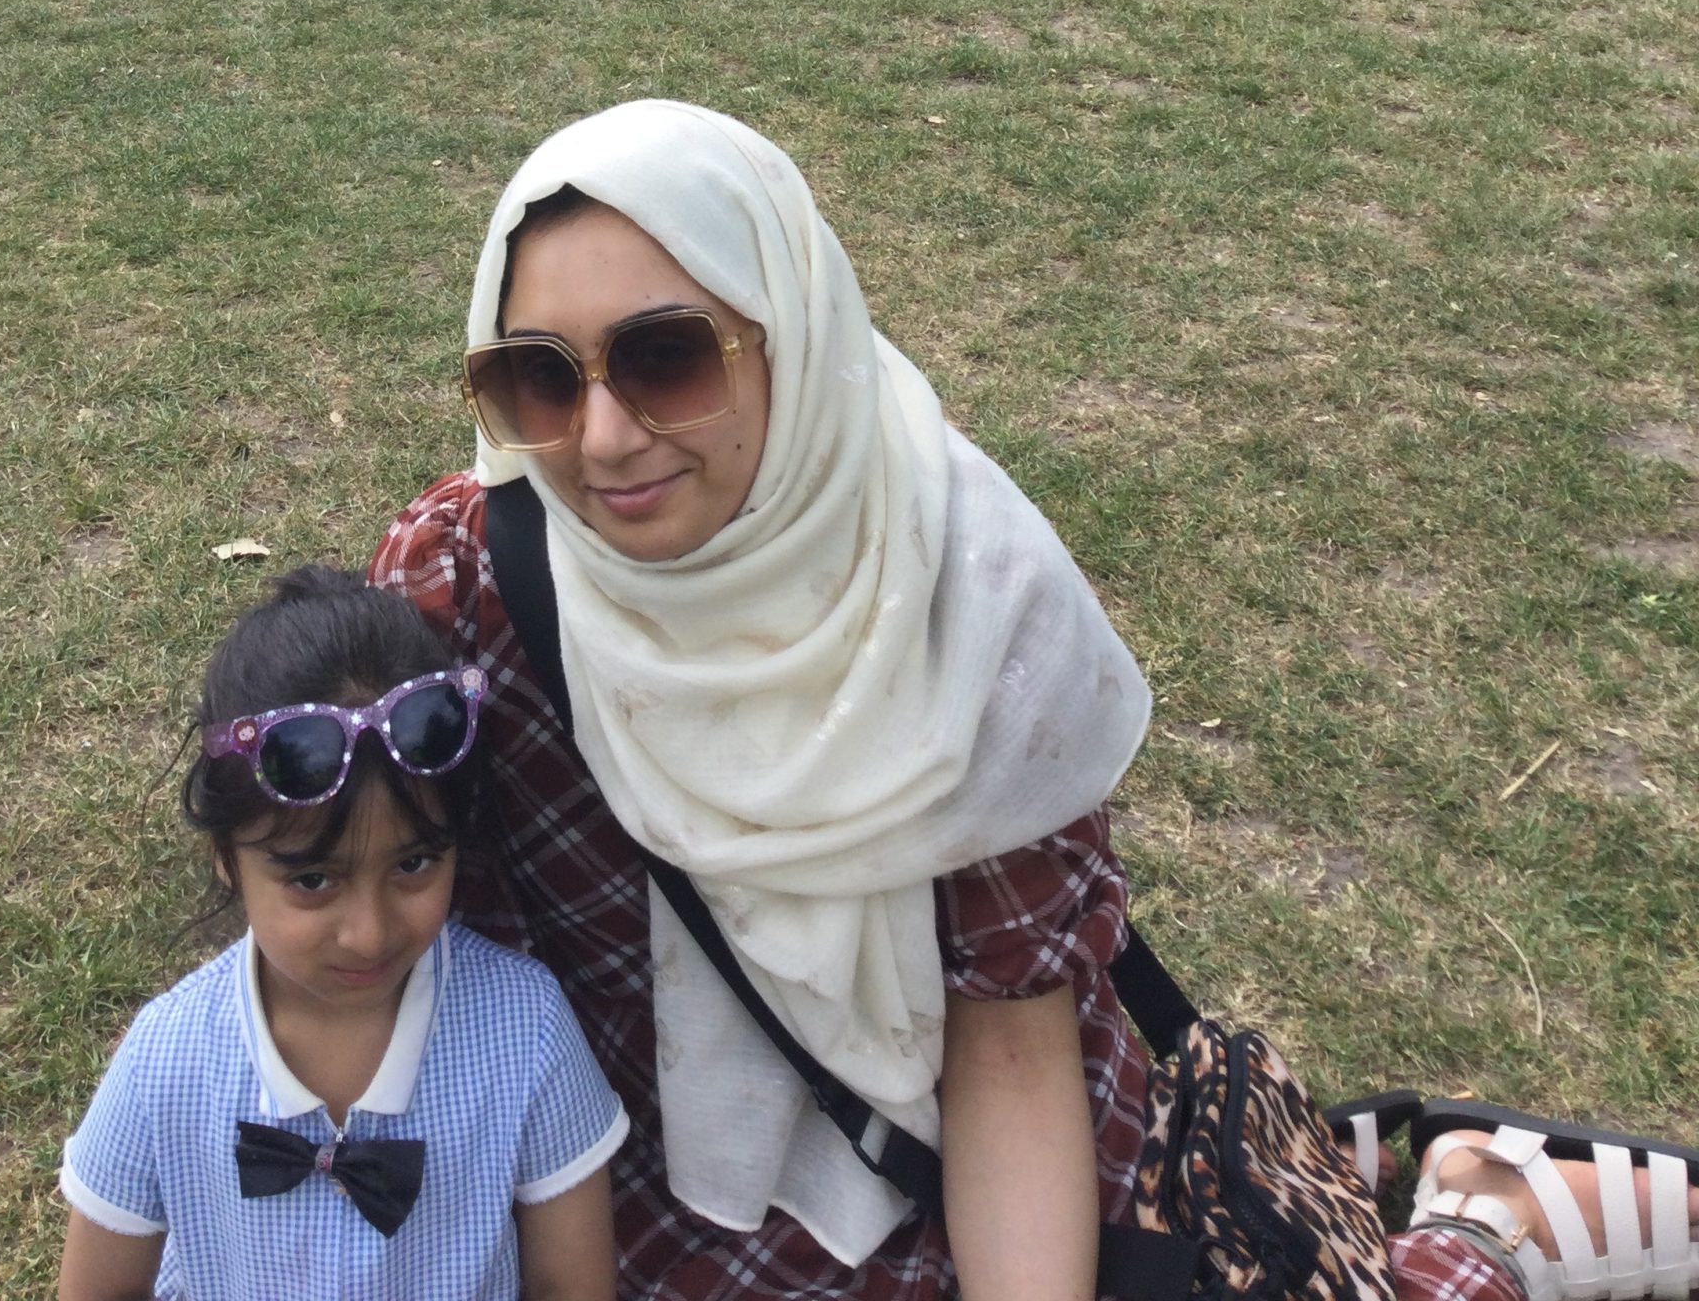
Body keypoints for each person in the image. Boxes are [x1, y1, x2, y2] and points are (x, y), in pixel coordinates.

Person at [371, 102, 1699, 1301]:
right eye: (540, 376)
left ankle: (1492, 1223)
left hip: (952, 1175)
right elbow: (369, 963)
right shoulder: (462, 594)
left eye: (667, 358)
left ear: (794, 333)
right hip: (606, 1205)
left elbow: (1009, 1057)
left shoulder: (957, 596)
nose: (602, 440)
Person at [57, 568, 627, 1301]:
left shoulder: (527, 1030)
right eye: (314, 880)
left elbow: (570, 1283)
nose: (368, 934)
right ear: (226, 856)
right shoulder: (165, 1062)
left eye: (413, 864)